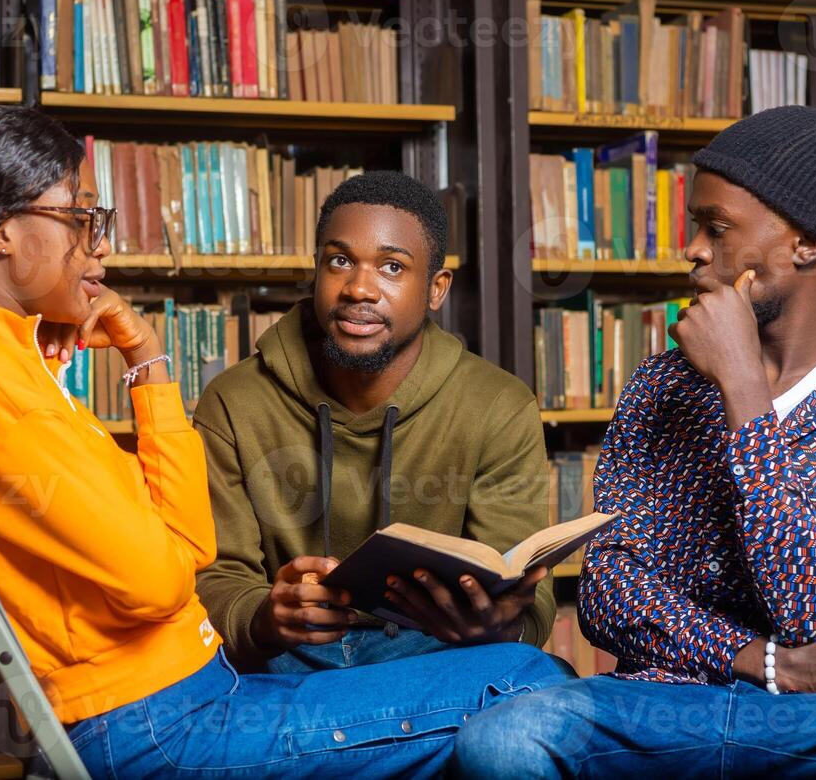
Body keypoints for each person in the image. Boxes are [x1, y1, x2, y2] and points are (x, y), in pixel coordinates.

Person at [0, 106, 569, 779]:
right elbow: (165, 579)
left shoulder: (3, 367)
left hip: (178, 700)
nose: (96, 245)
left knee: (508, 678)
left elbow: (184, 545)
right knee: (526, 685)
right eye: (77, 217)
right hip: (154, 723)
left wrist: (149, 366)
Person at [454, 107, 816, 778]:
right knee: (502, 738)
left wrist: (744, 390)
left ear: (806, 244)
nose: (696, 250)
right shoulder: (660, 386)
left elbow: (813, 606)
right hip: (662, 705)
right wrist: (770, 662)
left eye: (718, 227)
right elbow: (609, 594)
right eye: (697, 227)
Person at [194, 171, 557, 673]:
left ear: (436, 289)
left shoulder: (499, 405)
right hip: (286, 659)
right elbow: (213, 577)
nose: (359, 288)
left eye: (391, 266)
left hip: (432, 654)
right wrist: (261, 617)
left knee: (532, 681)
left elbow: (528, 599)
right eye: (339, 261)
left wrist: (497, 623)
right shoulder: (233, 402)